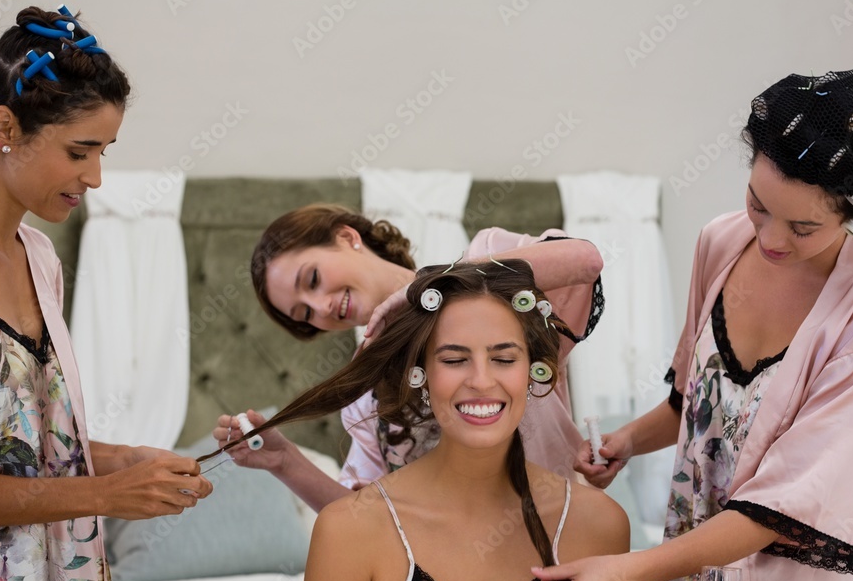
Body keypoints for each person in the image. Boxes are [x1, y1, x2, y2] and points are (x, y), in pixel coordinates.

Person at [525, 68, 853, 581]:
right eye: (759, 205)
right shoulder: (721, 243)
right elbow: (695, 403)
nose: (772, 239)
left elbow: (786, 506)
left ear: (852, 215)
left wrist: (625, 573)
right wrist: (627, 441)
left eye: (804, 227)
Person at [222, 259, 753, 581]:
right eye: (454, 359)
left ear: (533, 372)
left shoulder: (595, 524)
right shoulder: (350, 533)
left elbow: (585, 260)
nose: (482, 380)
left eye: (504, 357)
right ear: (421, 374)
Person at [0, 7, 213, 581]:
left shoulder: (40, 258)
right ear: (4, 128)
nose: (94, 178)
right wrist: (103, 493)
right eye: (79, 151)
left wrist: (121, 457)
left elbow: (11, 438)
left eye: (103, 151)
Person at [215, 205, 603, 511]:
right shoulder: (364, 395)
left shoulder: (491, 264)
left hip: (560, 553)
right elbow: (363, 519)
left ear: (347, 237)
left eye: (313, 279)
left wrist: (429, 286)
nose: (322, 306)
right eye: (305, 314)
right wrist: (285, 461)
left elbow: (585, 262)